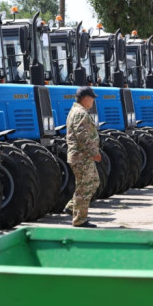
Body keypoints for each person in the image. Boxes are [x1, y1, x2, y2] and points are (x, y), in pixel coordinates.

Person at [63, 86, 102, 228]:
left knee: (94, 182)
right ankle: (80, 220)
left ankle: (73, 206)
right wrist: (94, 153)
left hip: (82, 156)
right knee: (84, 187)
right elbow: (83, 136)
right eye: (92, 99)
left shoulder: (78, 111)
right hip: (82, 157)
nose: (93, 102)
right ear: (86, 98)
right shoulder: (80, 113)